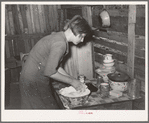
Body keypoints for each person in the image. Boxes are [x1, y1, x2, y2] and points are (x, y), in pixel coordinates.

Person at [19, 15, 93, 109]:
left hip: (30, 78)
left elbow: (55, 67)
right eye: (82, 36)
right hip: (33, 81)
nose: (82, 40)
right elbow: (50, 72)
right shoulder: (60, 44)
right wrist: (72, 81)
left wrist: (72, 79)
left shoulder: (59, 36)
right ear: (77, 32)